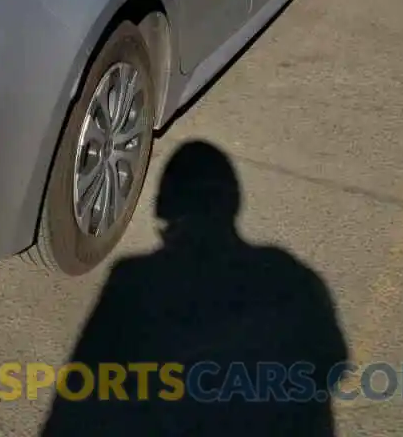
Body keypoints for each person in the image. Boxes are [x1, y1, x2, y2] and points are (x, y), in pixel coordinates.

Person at [41, 141, 348, 437]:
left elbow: (79, 393)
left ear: (166, 214)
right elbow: (333, 362)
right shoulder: (289, 275)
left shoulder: (135, 282)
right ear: (232, 206)